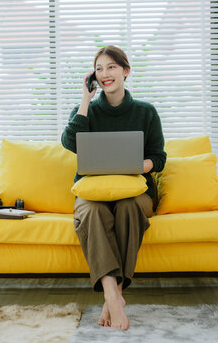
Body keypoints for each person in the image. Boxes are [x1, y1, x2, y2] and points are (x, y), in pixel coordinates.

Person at [61, 45, 166, 330]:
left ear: (126, 71)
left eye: (111, 67)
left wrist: (135, 164)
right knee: (93, 212)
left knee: (129, 208)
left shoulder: (146, 112)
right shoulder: (86, 111)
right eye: (99, 69)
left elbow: (158, 158)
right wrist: (85, 99)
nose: (105, 74)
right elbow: (69, 143)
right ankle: (112, 293)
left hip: (134, 191)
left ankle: (113, 297)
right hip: (92, 191)